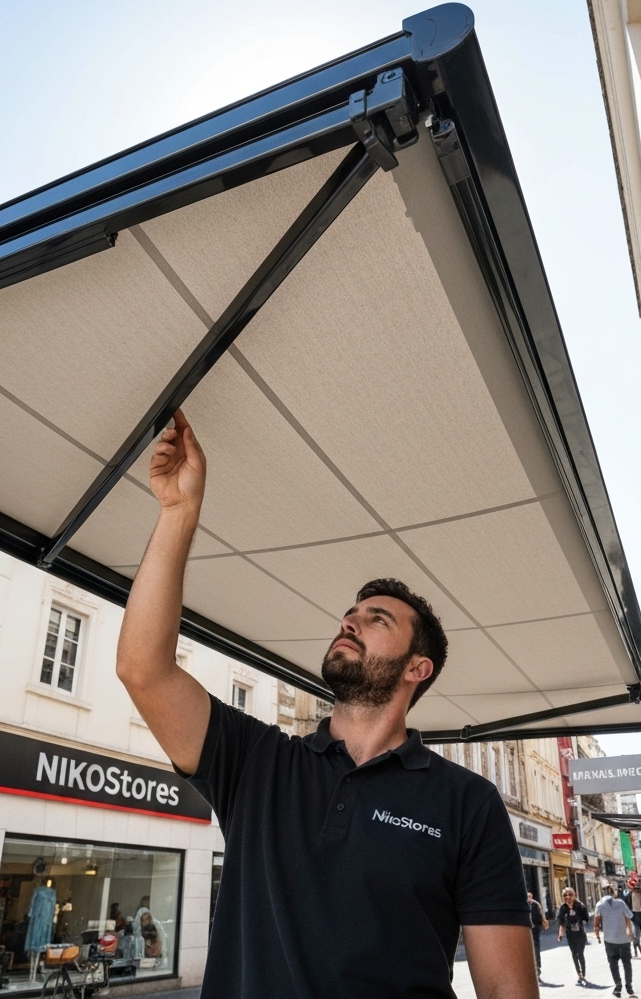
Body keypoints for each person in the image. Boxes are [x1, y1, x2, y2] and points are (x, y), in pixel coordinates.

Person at [116, 411, 537, 999]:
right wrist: (178, 512)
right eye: (350, 614)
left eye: (377, 619)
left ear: (419, 669)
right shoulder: (257, 762)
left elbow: (507, 991)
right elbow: (143, 669)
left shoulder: (467, 802)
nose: (351, 620)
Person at [595, 887, 635, 998]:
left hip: (609, 940)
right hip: (624, 939)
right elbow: (628, 917)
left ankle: (618, 985)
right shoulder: (621, 903)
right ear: (614, 893)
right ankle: (629, 986)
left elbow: (596, 924)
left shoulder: (599, 905)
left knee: (613, 964)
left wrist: (598, 936)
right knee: (627, 963)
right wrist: (629, 931)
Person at [557, 886, 590, 985]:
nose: (568, 897)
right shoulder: (563, 908)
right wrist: (560, 934)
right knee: (574, 954)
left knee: (580, 954)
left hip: (580, 935)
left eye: (570, 895)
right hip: (570, 935)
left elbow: (586, 919)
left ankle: (583, 973)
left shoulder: (580, 906)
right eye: (565, 895)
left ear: (574, 895)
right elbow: (561, 923)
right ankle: (579, 974)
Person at [528, 892, 549, 980]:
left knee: (536, 949)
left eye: (530, 897)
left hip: (535, 929)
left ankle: (538, 969)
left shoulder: (536, 905)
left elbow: (541, 916)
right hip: (527, 930)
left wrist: (542, 923)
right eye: (528, 897)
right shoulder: (523, 905)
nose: (529, 899)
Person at [628, 886, 641, 958]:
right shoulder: (639, 894)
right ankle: (639, 952)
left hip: (635, 914)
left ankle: (639, 952)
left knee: (635, 940)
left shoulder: (633, 894)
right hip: (638, 914)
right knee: (636, 939)